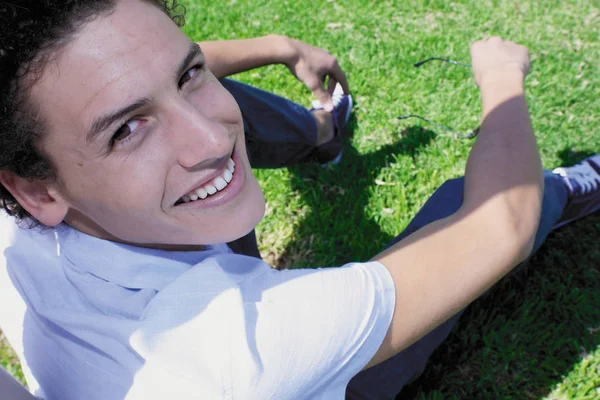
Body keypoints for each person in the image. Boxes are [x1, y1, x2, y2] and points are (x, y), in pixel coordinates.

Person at [0, 1, 598, 400]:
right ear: (33, 188)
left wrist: (280, 45)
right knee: (466, 204)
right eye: (125, 130)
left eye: (187, 73)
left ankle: (320, 136)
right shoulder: (239, 350)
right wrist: (501, 79)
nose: (213, 140)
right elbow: (500, 226)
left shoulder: (29, 182)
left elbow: (125, 72)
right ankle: (567, 189)